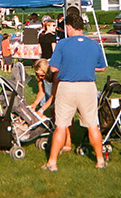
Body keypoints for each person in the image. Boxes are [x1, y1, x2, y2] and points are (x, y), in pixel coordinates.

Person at [43, 13, 107, 172]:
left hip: (67, 87)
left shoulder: (62, 44)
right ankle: (100, 160)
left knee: (61, 125)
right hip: (88, 87)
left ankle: (52, 162)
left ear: (69, 27)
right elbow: (102, 67)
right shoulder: (94, 44)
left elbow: (53, 68)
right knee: (93, 125)